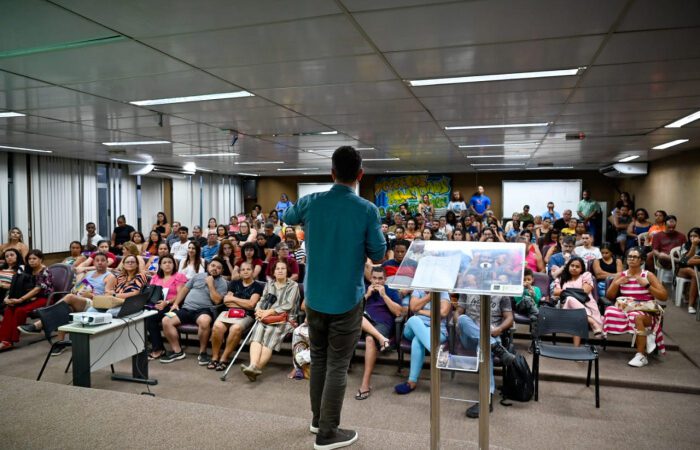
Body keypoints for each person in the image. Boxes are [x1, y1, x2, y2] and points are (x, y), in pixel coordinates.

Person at [283, 146, 386, 449]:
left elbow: (288, 215)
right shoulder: (367, 209)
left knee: (319, 358)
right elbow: (378, 255)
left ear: (331, 172)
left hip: (314, 297)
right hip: (346, 299)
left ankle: (318, 421)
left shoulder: (312, 202)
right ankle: (328, 432)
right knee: (338, 365)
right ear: (360, 175)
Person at [20, 252, 117, 355]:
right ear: (94, 262)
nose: (100, 263)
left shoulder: (110, 277)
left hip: (94, 303)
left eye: (103, 261)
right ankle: (60, 343)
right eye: (97, 261)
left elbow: (108, 298)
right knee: (65, 309)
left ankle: (39, 324)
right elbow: (79, 287)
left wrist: (91, 295)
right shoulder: (90, 274)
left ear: (107, 263)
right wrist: (76, 290)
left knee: (69, 298)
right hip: (80, 300)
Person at [603, 247, 668, 367]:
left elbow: (664, 296)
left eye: (635, 257)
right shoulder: (621, 275)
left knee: (636, 316)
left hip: (645, 310)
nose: (631, 259)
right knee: (610, 310)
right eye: (629, 256)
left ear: (642, 260)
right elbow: (610, 296)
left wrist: (647, 285)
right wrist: (617, 283)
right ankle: (644, 337)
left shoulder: (648, 275)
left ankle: (641, 356)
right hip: (626, 307)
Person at [456, 292, 515, 418]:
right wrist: (459, 323)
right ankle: (496, 347)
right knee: (462, 319)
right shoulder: (467, 289)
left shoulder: (501, 293)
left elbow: (509, 318)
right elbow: (458, 313)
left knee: (484, 347)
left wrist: (499, 329)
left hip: (492, 333)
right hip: (470, 336)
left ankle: (486, 399)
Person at [159, 258, 227, 364]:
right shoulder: (197, 276)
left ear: (222, 271)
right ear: (208, 266)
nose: (215, 269)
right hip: (186, 309)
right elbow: (184, 290)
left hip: (204, 311)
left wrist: (210, 284)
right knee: (166, 320)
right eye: (213, 265)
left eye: (218, 268)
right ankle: (177, 351)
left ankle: (203, 353)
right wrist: (176, 303)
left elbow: (217, 300)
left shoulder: (222, 283)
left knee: (204, 321)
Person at [240, 260, 300, 380]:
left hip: (285, 319)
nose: (280, 271)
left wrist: (268, 312)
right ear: (273, 272)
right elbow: (262, 300)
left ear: (287, 271)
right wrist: (258, 311)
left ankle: (256, 368)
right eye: (277, 269)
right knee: (258, 330)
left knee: (270, 333)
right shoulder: (269, 284)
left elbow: (288, 305)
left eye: (283, 268)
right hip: (266, 317)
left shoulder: (293, 285)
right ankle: (252, 366)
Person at [356, 267, 402, 400]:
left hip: (382, 324)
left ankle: (365, 385)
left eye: (380, 278)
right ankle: (382, 339)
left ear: (385, 279)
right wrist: (367, 295)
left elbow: (398, 312)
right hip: (362, 321)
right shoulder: (364, 289)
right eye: (374, 278)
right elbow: (353, 309)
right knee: (356, 316)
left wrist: (384, 296)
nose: (377, 281)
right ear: (370, 278)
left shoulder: (390, 291)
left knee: (370, 339)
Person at [394, 289, 451, 395]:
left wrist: (420, 312)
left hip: (436, 330)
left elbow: (443, 312)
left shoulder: (443, 292)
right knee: (413, 320)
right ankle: (436, 352)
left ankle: (411, 382)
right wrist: (430, 296)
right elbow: (413, 307)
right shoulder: (418, 290)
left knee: (417, 340)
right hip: (413, 328)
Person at [209, 261, 264, 371]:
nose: (245, 271)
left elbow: (251, 304)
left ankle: (224, 358)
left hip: (246, 314)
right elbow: (226, 301)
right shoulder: (234, 283)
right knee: (217, 326)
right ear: (239, 272)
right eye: (243, 269)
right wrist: (242, 302)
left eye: (248, 269)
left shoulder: (258, 286)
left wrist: (234, 299)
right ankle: (215, 357)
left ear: (253, 271)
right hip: (228, 311)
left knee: (236, 328)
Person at [0, 250, 53, 351]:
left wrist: (21, 300)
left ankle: (10, 341)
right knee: (9, 309)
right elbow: (16, 285)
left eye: (34, 258)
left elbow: (37, 289)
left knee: (20, 310)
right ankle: (3, 339)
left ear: (40, 259)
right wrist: (8, 298)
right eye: (29, 259)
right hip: (29, 298)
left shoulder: (45, 270)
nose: (31, 261)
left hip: (44, 298)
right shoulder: (28, 270)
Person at [553, 256, 604, 345]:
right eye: (572, 265)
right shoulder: (562, 278)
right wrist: (574, 292)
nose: (574, 268)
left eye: (577, 266)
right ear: (568, 266)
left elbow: (585, 291)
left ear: (582, 269)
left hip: (587, 305)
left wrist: (566, 292)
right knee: (570, 300)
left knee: (576, 313)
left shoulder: (586, 275)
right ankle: (593, 322)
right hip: (567, 307)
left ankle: (576, 349)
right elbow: (555, 292)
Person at [146, 254, 188, 360]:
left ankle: (158, 349)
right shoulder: (156, 277)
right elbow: (150, 293)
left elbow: (180, 295)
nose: (167, 264)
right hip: (157, 305)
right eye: (164, 262)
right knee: (145, 315)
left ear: (174, 264)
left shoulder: (179, 276)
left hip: (172, 306)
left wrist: (167, 302)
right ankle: (156, 347)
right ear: (160, 265)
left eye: (170, 262)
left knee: (151, 317)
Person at [676, 227, 700, 314]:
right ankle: (691, 305)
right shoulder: (685, 245)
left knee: (695, 275)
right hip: (682, 269)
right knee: (695, 274)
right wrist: (693, 245)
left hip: (696, 270)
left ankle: (691, 302)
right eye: (691, 236)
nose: (692, 238)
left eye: (695, 236)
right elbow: (685, 261)